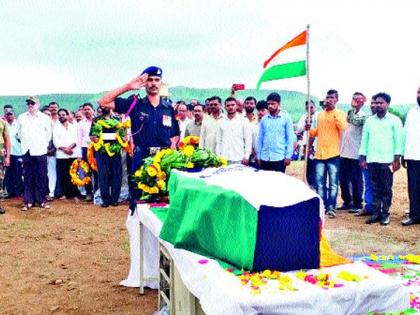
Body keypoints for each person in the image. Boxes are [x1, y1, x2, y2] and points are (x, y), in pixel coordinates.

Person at [98, 66, 179, 211]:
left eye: (157, 80)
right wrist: (129, 86)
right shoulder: (135, 104)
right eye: (149, 80)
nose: (153, 83)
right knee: (138, 200)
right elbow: (103, 102)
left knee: (164, 201)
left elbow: (174, 135)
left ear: (161, 83)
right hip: (142, 158)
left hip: (163, 159)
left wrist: (171, 157)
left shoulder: (168, 108)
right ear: (144, 84)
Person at [359, 92, 404, 225]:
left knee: (386, 188)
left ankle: (385, 213)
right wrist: (363, 157)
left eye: (381, 103)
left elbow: (398, 141)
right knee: (374, 188)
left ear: (387, 104)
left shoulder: (394, 120)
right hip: (372, 159)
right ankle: (376, 213)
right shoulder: (369, 121)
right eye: (376, 103)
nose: (378, 105)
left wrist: (397, 159)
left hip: (387, 161)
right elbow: (364, 140)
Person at [306, 90, 347, 218]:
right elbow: (316, 132)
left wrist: (334, 111)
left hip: (333, 154)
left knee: (333, 183)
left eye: (331, 97)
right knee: (320, 183)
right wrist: (309, 129)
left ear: (336, 99)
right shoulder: (320, 115)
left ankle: (331, 207)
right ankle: (322, 206)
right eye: (327, 97)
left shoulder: (340, 113)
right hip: (320, 154)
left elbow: (343, 127)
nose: (328, 99)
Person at [17, 96, 52, 210]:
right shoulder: (21, 117)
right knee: (27, 176)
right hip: (26, 150)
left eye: (32, 103)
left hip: (40, 150)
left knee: (41, 175)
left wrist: (41, 145)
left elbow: (48, 135)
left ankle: (41, 200)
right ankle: (28, 201)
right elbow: (18, 134)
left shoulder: (45, 118)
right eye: (28, 103)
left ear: (38, 105)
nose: (30, 105)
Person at [338, 92, 368, 213]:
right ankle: (347, 201)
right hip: (344, 151)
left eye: (358, 99)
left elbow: (354, 121)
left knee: (356, 179)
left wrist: (352, 110)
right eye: (353, 98)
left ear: (363, 101)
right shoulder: (349, 113)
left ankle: (357, 202)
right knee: (343, 178)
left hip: (355, 152)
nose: (355, 101)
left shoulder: (363, 116)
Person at [90, 107, 123, 207]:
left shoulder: (118, 119)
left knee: (116, 174)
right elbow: (92, 135)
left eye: (106, 106)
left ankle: (114, 199)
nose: (104, 107)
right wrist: (96, 139)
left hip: (115, 150)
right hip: (101, 151)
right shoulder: (96, 120)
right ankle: (105, 200)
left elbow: (122, 133)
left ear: (111, 107)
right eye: (102, 106)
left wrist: (122, 137)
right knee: (103, 175)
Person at [257, 92, 294, 173]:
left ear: (279, 103)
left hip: (279, 158)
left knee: (278, 184)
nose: (270, 106)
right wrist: (259, 156)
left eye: (273, 104)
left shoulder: (286, 118)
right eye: (268, 104)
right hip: (265, 157)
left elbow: (290, 138)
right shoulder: (264, 119)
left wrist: (288, 156)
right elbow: (260, 139)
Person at [401, 86, 420, 226]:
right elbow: (405, 134)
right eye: (418, 92)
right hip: (413, 157)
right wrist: (403, 154)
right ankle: (414, 215)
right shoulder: (412, 112)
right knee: (413, 187)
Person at [52, 109, 81, 200]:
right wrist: (65, 149)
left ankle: (74, 193)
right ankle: (64, 193)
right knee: (63, 174)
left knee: (73, 174)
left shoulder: (74, 127)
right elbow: (56, 141)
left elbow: (77, 139)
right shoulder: (55, 128)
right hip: (61, 155)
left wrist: (70, 148)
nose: (61, 116)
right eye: (60, 115)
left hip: (73, 153)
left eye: (63, 114)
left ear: (68, 116)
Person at [215, 97, 252, 165]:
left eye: (233, 105)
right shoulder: (220, 121)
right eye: (228, 105)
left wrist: (246, 156)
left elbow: (248, 140)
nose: (230, 107)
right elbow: (218, 141)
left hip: (239, 158)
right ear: (225, 107)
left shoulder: (243, 120)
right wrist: (218, 156)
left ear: (237, 106)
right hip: (224, 158)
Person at [296, 100, 319, 189]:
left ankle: (317, 187)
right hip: (307, 145)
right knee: (309, 168)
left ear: (315, 107)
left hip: (316, 145)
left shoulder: (318, 116)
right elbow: (298, 129)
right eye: (307, 108)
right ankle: (311, 186)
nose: (309, 109)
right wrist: (305, 124)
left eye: (311, 107)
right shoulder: (304, 116)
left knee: (316, 168)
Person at [77, 103, 96, 201]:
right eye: (85, 110)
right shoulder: (80, 124)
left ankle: (97, 191)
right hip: (85, 149)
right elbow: (79, 139)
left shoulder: (99, 121)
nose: (87, 111)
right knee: (87, 171)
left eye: (88, 109)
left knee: (97, 171)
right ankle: (89, 192)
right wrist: (79, 154)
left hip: (97, 148)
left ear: (93, 110)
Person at [3, 106, 23, 198]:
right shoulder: (3, 124)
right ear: (5, 115)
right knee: (8, 174)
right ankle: (10, 192)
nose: (9, 116)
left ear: (14, 114)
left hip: (18, 152)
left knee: (18, 173)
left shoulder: (18, 124)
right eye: (7, 114)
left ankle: (19, 192)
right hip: (7, 153)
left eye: (10, 114)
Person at [0, 114, 10, 214]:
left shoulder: (3, 122)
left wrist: (7, 157)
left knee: (0, 179)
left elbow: (7, 140)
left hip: (0, 153)